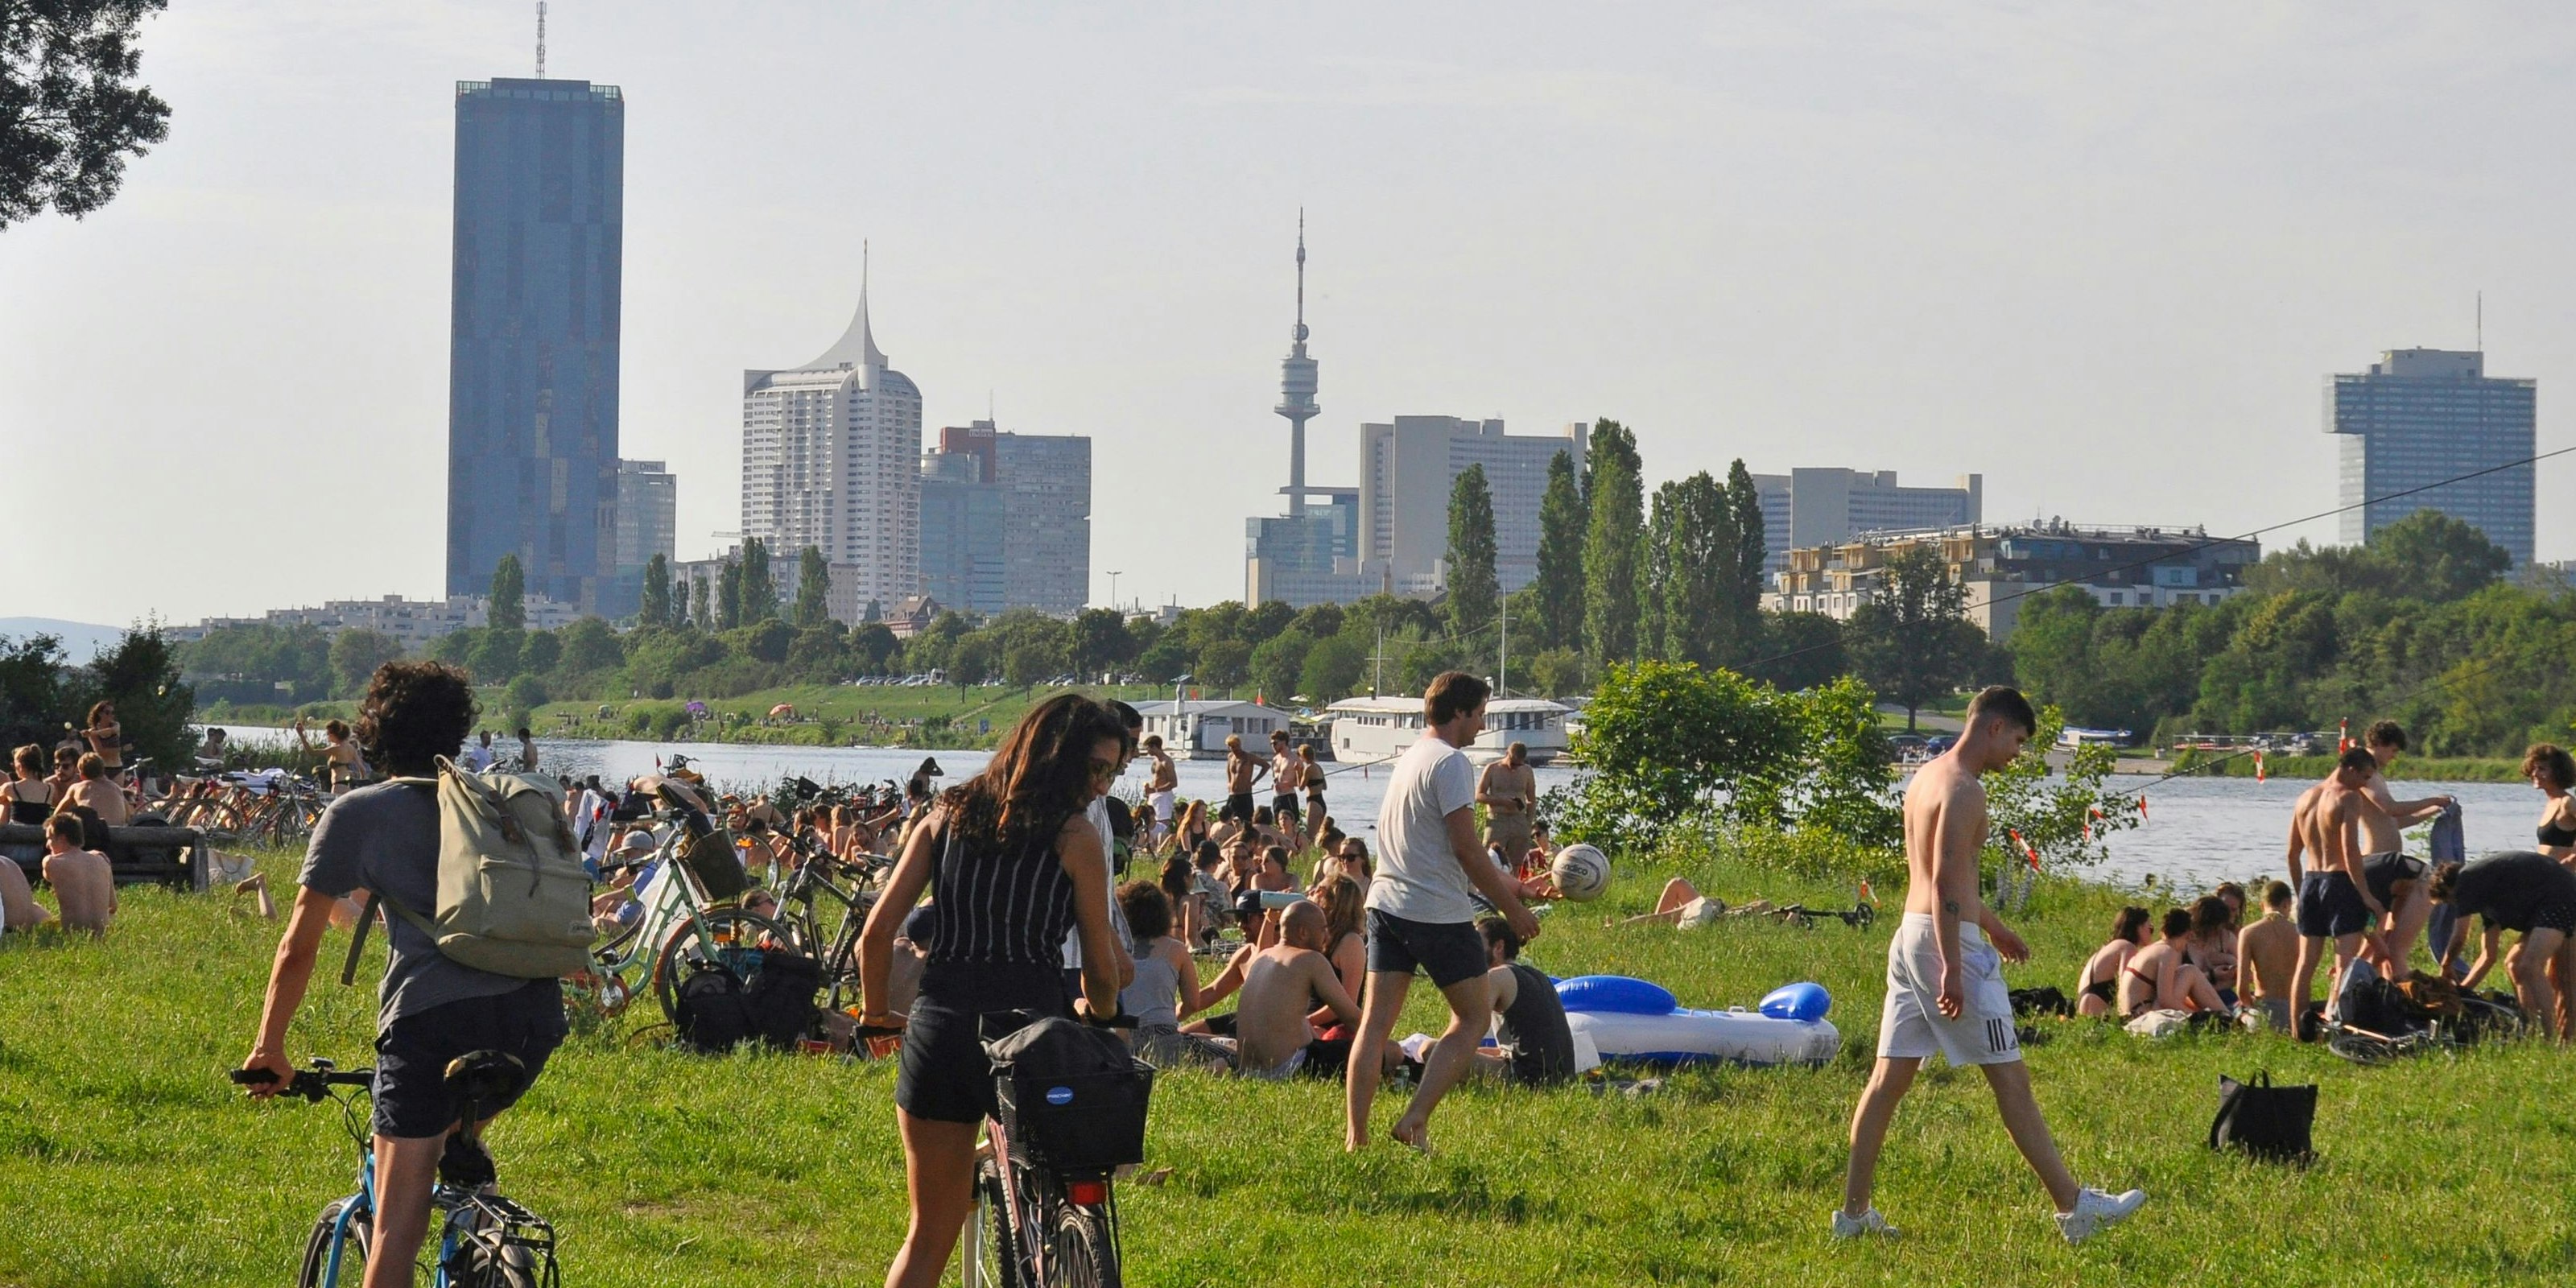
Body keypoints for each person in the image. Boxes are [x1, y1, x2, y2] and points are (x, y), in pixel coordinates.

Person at [242, 660, 567, 1288]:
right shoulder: (496, 803)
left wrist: (269, 1047)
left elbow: (297, 947)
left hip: (432, 1020)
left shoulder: (361, 812)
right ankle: (467, 1169)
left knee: (398, 1222)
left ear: (372, 734)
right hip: (534, 1018)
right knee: (455, 1133)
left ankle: (445, 1172)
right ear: (460, 731)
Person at [1838, 685, 2142, 1245]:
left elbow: (1933, 878)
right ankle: (2075, 1209)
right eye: (2020, 741)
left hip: (1910, 935)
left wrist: (1996, 927)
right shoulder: (1967, 790)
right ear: (1994, 727)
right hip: (1943, 945)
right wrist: (1954, 965)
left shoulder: (1926, 777)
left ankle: (1853, 1218)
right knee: (2011, 1078)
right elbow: (1950, 886)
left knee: (1888, 1080)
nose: (2018, 755)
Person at [854, 694, 1128, 1288]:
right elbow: (1101, 973)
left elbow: (874, 937)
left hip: (941, 1029)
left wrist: (878, 1017)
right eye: (1097, 769)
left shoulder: (943, 817)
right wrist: (1101, 1016)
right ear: (1060, 758)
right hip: (1031, 1037)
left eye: (1113, 772)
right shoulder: (1075, 838)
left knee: (928, 1235)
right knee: (1056, 1188)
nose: (1103, 786)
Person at [1347, 671, 1542, 1154]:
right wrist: (1512, 909)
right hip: (1433, 909)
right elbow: (1468, 850)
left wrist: (1512, 887)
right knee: (1473, 1019)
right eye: (1478, 714)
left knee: (1374, 1026)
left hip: (1385, 904)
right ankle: (1414, 1118)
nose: (1480, 724)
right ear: (1459, 712)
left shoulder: (1411, 756)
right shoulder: (1452, 763)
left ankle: (1357, 1138)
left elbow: (1436, 843)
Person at [2288, 749, 2398, 1023]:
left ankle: (2297, 1029)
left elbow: (2292, 853)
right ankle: (2339, 1025)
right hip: (2339, 883)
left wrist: (2301, 891)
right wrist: (2366, 896)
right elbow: (2350, 851)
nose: (2364, 784)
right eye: (2364, 777)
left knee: (2305, 965)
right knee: (2344, 964)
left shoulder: (2305, 797)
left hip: (2312, 881)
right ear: (2349, 769)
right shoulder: (2348, 797)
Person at [2429, 852, 2576, 1041]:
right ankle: (2532, 1030)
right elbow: (2488, 956)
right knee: (2513, 964)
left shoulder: (2465, 880)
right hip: (2542, 906)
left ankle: (2550, 1037)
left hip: (2560, 897)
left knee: (2530, 965)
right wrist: (2463, 992)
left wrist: (2446, 966)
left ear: (2449, 890)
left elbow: (2459, 937)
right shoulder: (2488, 899)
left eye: (2450, 901)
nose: (2456, 906)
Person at [1233, 899, 1364, 1080]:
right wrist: (1380, 1038)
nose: (1327, 935)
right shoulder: (1311, 959)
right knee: (1389, 1052)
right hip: (1288, 1067)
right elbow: (1350, 1017)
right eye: (1323, 929)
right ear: (1303, 932)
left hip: (1248, 1070)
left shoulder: (1263, 956)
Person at [1117, 881, 1229, 1070]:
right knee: (1233, 1055)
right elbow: (1193, 1003)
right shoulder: (1175, 949)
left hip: (1120, 1041)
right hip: (1164, 1038)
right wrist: (1172, 1018)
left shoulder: (1115, 950)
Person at [1475, 914, 1575, 1086]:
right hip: (1560, 1077)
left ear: (1498, 947)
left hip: (1527, 1079)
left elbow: (1468, 1028)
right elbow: (1514, 1050)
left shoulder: (1496, 977)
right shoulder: (1538, 976)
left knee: (1429, 1049)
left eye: (1476, 944)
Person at [2117, 909, 2229, 1018]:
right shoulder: (2168, 953)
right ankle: (2227, 1017)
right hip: (2142, 1016)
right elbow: (2165, 1000)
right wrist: (2195, 1016)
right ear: (2189, 935)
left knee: (2186, 971)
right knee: (2190, 971)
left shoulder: (2152, 950)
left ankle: (2223, 1015)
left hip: (2131, 1013)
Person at [2236, 881, 2301, 1032]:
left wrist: (2250, 1006)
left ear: (2262, 905)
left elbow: (2242, 990)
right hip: (2295, 1013)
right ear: (2287, 904)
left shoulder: (2249, 933)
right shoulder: (2300, 933)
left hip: (2265, 1013)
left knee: (2236, 1012)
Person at [39, 813, 117, 935]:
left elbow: (49, 878)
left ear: (62, 838)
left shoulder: (51, 862)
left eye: (50, 838)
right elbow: (113, 906)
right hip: (101, 936)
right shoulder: (102, 860)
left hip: (72, 935)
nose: (47, 845)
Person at [2074, 907, 2150, 1018]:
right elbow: (2126, 985)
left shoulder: (2111, 946)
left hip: (2087, 1000)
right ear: (2139, 928)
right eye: (2150, 928)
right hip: (2095, 1004)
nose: (2151, 934)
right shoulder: (2128, 947)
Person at [1478, 742, 1538, 873]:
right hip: (1497, 820)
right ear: (1507, 754)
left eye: (1519, 764)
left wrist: (1528, 823)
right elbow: (1479, 796)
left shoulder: (1527, 771)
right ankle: (1488, 890)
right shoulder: (1492, 769)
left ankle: (1514, 890)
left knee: (1517, 862)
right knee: (1490, 858)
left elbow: (1532, 800)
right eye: (1513, 763)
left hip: (1519, 820)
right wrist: (1502, 801)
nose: (1515, 767)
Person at [2523, 743, 2576, 862]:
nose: (2535, 774)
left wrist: (2571, 860)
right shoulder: (2551, 803)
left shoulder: (2567, 803)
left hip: (2560, 878)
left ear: (2558, 772)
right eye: (2533, 768)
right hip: (2543, 876)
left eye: (2541, 769)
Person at [295, 716, 370, 795]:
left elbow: (311, 752)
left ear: (334, 734)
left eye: (328, 733)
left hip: (338, 786)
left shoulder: (336, 748)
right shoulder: (351, 748)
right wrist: (360, 784)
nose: (327, 736)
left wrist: (301, 735)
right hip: (348, 787)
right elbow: (362, 770)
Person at [2187, 895, 2240, 1007]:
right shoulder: (2184, 941)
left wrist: (2230, 962)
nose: (2219, 931)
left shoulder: (2226, 937)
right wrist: (2212, 975)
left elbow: (2246, 975)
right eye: (2216, 928)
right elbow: (2178, 983)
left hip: (2222, 993)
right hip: (2189, 998)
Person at [1625, 876, 1724, 928]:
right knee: (1677, 883)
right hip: (1716, 906)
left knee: (1663, 918)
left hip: (1713, 912)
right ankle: (1654, 927)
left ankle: (1623, 925)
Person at [62, 752, 129, 828]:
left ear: (82, 775)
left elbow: (58, 813)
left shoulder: (77, 788)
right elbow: (129, 815)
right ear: (102, 771)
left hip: (94, 833)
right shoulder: (116, 788)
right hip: (117, 834)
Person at [1222, 733, 1266, 824]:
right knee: (1228, 821)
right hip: (1233, 794)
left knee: (1247, 821)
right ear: (1229, 747)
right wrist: (1229, 782)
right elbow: (1228, 770)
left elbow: (1265, 766)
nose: (1235, 749)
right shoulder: (1230, 757)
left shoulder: (1248, 757)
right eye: (1232, 747)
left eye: (1237, 746)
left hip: (1245, 794)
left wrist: (1255, 781)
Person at [5, 745, 56, 824]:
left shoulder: (10, 787)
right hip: (39, 833)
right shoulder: (50, 788)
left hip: (16, 833)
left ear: (20, 766)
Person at [1142, 734, 1179, 840]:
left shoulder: (1166, 761)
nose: (1147, 751)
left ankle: (1163, 843)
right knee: (1150, 820)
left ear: (1154, 747)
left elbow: (1173, 783)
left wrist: (1155, 790)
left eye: (1148, 748)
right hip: (1153, 795)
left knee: (1163, 822)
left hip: (1163, 796)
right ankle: (1150, 843)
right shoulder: (1155, 761)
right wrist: (1149, 791)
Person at [1269, 729, 1304, 832]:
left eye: (1275, 743)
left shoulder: (1294, 758)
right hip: (1277, 797)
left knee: (1292, 825)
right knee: (1278, 824)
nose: (1273, 746)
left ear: (1283, 742)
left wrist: (1287, 784)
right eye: (1271, 744)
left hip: (1288, 796)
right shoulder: (1275, 759)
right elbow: (1275, 776)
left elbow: (1302, 781)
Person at [79, 701, 123, 779]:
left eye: (112, 713)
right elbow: (100, 751)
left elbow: (112, 731)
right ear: (100, 714)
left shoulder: (115, 725)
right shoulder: (92, 732)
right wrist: (120, 749)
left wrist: (92, 733)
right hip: (104, 768)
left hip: (118, 767)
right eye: (107, 712)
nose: (111, 715)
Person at [1299, 743, 1328, 843]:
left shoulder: (1308, 769)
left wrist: (1297, 771)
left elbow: (1301, 787)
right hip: (1321, 802)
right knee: (1319, 836)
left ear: (1303, 756)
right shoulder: (1319, 767)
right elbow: (1325, 787)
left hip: (1313, 802)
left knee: (1311, 836)